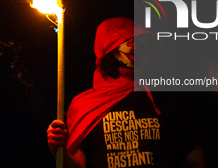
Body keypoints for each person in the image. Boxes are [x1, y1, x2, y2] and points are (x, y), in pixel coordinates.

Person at [47, 17, 206, 168]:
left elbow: (194, 157)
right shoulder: (84, 105)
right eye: (125, 40)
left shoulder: (164, 98)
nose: (135, 46)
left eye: (141, 40)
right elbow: (77, 164)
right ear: (107, 50)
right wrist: (59, 149)